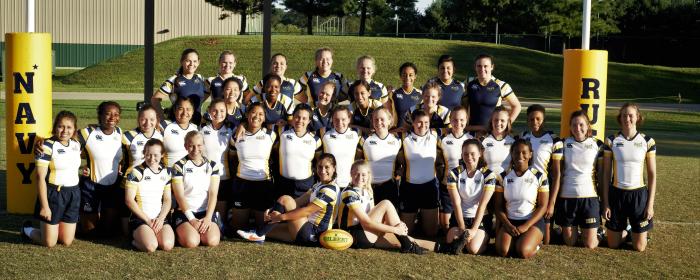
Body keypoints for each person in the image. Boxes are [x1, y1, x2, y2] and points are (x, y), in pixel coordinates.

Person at [336, 160, 469, 254]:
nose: (360, 177)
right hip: (354, 236)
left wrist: (396, 229)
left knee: (409, 240)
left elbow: (372, 217)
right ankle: (406, 243)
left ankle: (446, 248)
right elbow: (366, 222)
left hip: (367, 234)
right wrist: (395, 228)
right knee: (386, 203)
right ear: (351, 174)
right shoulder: (349, 192)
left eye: (363, 174)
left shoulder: (367, 191)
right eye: (356, 174)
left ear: (369, 176)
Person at [236, 153, 340, 246]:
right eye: (320, 167)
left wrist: (281, 217)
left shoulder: (330, 189)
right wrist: (273, 210)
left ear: (334, 168)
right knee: (267, 230)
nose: (322, 171)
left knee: (285, 198)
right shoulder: (319, 184)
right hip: (304, 228)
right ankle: (258, 234)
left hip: (313, 234)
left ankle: (258, 234)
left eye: (327, 167)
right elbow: (297, 202)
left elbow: (306, 211)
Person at [21, 111, 81, 247]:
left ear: (74, 129)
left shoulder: (76, 144)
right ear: (55, 128)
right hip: (54, 194)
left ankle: (53, 228)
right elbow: (40, 177)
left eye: (69, 127)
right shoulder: (46, 146)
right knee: (49, 242)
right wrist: (45, 206)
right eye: (61, 126)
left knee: (66, 241)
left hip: (73, 194)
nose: (65, 131)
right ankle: (27, 230)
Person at [603, 103, 656, 252]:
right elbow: (606, 174)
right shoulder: (611, 141)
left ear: (637, 117)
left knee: (639, 248)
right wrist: (606, 203)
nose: (627, 118)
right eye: (624, 115)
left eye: (631, 115)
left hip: (638, 195)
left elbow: (652, 175)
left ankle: (637, 233)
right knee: (613, 244)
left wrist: (650, 204)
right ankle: (627, 230)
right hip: (617, 194)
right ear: (620, 118)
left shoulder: (647, 141)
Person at [550, 110, 603, 249]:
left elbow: (602, 174)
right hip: (567, 197)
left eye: (581, 124)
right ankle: (566, 231)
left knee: (590, 244)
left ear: (587, 126)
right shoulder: (562, 144)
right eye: (574, 125)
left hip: (589, 198)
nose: (577, 128)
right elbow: (558, 174)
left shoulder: (598, 145)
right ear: (570, 127)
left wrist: (604, 200)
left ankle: (599, 233)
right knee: (569, 242)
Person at [494, 139, 549, 259]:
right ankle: (518, 240)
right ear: (511, 154)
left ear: (530, 154)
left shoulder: (540, 176)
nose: (520, 156)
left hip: (531, 222)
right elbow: (498, 207)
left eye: (524, 152)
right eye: (516, 152)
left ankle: (535, 243)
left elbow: (543, 206)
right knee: (503, 251)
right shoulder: (502, 177)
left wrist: (526, 226)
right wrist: (507, 225)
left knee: (523, 251)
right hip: (510, 222)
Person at [228, 103, 277, 231]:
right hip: (242, 184)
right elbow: (232, 158)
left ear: (265, 118)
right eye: (253, 113)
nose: (257, 116)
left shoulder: (271, 135)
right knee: (238, 228)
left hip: (263, 185)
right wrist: (242, 125)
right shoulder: (236, 135)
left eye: (261, 114)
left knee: (262, 228)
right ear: (247, 115)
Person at [78, 101, 124, 236]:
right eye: (108, 114)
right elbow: (66, 138)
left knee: (108, 232)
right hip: (91, 185)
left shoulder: (120, 133)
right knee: (89, 231)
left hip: (112, 186)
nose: (112, 118)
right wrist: (44, 141)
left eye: (116, 114)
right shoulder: (88, 132)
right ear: (100, 115)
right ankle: (77, 220)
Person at [444, 139, 497, 255]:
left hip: (480, 219)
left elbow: (482, 206)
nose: (469, 157)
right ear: (462, 155)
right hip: (460, 218)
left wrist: (473, 230)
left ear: (480, 154)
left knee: (473, 249)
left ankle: (483, 238)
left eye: (473, 154)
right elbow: (456, 204)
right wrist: (463, 229)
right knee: (450, 242)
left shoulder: (489, 175)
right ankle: (467, 238)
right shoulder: (453, 174)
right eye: (465, 154)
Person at [171, 131, 221, 248]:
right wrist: (192, 219)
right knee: (191, 242)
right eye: (191, 145)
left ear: (203, 145)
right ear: (185, 146)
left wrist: (208, 218)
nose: (195, 149)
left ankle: (213, 223)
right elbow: (179, 196)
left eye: (199, 145)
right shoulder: (178, 166)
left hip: (205, 212)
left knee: (211, 241)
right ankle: (179, 230)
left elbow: (213, 194)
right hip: (185, 213)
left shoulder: (212, 165)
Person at [124, 139, 175, 252]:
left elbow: (167, 200)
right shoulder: (136, 172)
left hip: (158, 218)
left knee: (167, 245)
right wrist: (147, 220)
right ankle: (134, 239)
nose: (152, 159)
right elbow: (129, 200)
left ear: (162, 155)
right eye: (148, 155)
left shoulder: (166, 173)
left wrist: (161, 219)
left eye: (156, 155)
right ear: (144, 154)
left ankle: (150, 234)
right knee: (151, 247)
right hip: (141, 219)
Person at [397, 110, 443, 237]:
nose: (423, 125)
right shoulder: (403, 136)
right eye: (419, 122)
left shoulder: (436, 134)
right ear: (413, 122)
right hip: (409, 188)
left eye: (426, 122)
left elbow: (455, 130)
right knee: (406, 233)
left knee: (431, 233)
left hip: (430, 187)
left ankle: (422, 221)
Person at [521, 104, 558, 244]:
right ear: (527, 120)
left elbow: (557, 174)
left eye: (538, 119)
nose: (535, 122)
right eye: (531, 119)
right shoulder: (524, 136)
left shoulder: (553, 139)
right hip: (527, 186)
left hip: (545, 188)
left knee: (547, 240)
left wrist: (552, 203)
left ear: (544, 120)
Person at [200, 100, 235, 233]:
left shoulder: (231, 130)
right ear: (209, 111)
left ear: (226, 112)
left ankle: (220, 229)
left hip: (223, 176)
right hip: (205, 176)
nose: (218, 114)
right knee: (206, 207)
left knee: (220, 213)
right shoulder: (202, 129)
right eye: (214, 110)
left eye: (222, 111)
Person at [274, 104, 322, 198]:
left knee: (302, 212)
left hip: (305, 186)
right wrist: (243, 125)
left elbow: (319, 162)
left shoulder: (316, 140)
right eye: (297, 117)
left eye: (304, 118)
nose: (300, 121)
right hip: (283, 184)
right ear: (293, 117)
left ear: (309, 121)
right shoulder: (281, 130)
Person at [438, 106, 473, 233]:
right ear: (450, 120)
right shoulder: (443, 139)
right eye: (455, 120)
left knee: (462, 220)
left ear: (466, 120)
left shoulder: (471, 139)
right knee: (445, 226)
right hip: (447, 186)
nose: (458, 123)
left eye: (462, 120)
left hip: (466, 186)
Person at [465, 54, 521, 129]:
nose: (482, 69)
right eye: (479, 66)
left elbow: (517, 106)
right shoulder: (469, 82)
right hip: (472, 131)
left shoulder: (501, 85)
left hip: (492, 132)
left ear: (492, 67)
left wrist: (507, 125)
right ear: (475, 67)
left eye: (485, 66)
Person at [151, 48, 207, 124]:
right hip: (178, 126)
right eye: (188, 61)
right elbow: (155, 99)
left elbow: (206, 94)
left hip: (197, 126)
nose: (191, 64)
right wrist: (161, 120)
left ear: (198, 62)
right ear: (182, 62)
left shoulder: (201, 78)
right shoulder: (174, 80)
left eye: (194, 61)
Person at [360, 108, 402, 208]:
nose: (379, 122)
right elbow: (357, 162)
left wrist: (401, 171)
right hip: (369, 187)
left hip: (390, 187)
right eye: (376, 119)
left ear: (389, 121)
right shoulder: (364, 140)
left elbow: (403, 162)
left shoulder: (398, 141)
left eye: (382, 119)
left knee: (389, 220)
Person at [320, 106, 363, 189]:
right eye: (336, 119)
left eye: (343, 119)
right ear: (332, 119)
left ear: (349, 119)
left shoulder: (357, 133)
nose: (340, 122)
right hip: (329, 183)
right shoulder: (324, 132)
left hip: (350, 183)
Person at [161, 97, 199, 168]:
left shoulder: (195, 129)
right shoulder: (165, 126)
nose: (185, 113)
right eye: (181, 109)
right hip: (169, 175)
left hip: (188, 175)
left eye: (188, 109)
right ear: (175, 110)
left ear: (193, 111)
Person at [481, 106, 515, 174]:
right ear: (491, 121)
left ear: (507, 122)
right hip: (488, 182)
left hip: (507, 181)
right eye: (496, 120)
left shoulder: (513, 141)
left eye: (502, 120)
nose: (498, 123)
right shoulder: (483, 141)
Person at [387, 62, 422, 129]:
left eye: (410, 75)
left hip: (415, 133)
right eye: (404, 75)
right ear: (400, 76)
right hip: (398, 133)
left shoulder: (421, 95)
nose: (407, 78)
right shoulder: (393, 94)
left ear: (415, 76)